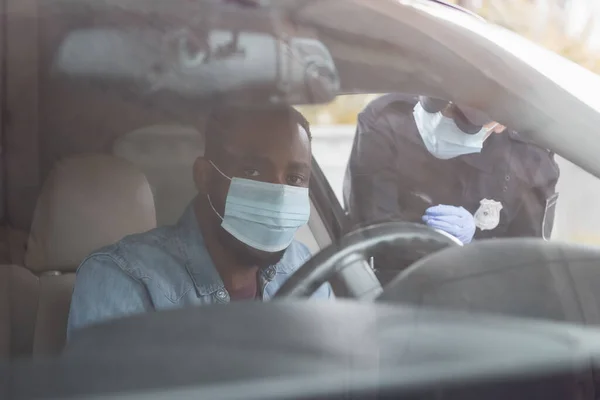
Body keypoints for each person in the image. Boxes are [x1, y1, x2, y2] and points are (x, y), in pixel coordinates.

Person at [67, 106, 333, 338]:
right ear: (204, 176)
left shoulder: (302, 266)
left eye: (295, 179)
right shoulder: (124, 277)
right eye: (252, 171)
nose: (278, 193)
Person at [343, 93, 560, 243]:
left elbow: (528, 262)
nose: (441, 119)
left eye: (462, 117)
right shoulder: (386, 121)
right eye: (434, 104)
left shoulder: (529, 162)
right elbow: (368, 229)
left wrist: (474, 246)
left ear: (500, 122)